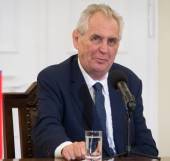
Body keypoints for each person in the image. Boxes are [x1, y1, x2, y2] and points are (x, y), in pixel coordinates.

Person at [32, 3, 158, 160]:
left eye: (111, 41)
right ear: (77, 39)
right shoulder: (54, 79)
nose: (104, 49)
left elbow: (147, 146)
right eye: (96, 39)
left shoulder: (128, 82)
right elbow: (47, 127)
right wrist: (66, 147)